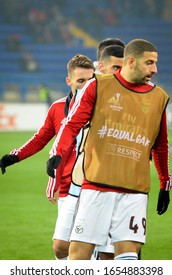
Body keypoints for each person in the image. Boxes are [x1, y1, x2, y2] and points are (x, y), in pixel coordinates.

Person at [46, 39, 171, 260]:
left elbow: (160, 145)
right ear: (131, 61)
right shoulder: (98, 86)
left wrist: (164, 183)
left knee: (126, 258)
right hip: (96, 187)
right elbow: (72, 123)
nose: (155, 69)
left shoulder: (158, 97)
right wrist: (58, 152)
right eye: (149, 63)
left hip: (135, 191)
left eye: (155, 63)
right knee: (78, 256)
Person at [0, 54, 95, 259]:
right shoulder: (57, 108)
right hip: (68, 186)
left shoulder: (103, 109)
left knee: (91, 248)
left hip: (96, 184)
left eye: (90, 80)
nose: (86, 86)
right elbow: (40, 138)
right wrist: (13, 157)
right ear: (68, 81)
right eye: (81, 81)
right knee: (60, 247)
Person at [52, 43, 125, 261]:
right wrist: (55, 163)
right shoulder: (78, 100)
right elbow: (69, 127)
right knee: (64, 247)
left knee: (109, 253)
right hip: (81, 184)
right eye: (114, 67)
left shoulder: (124, 98)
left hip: (115, 183)